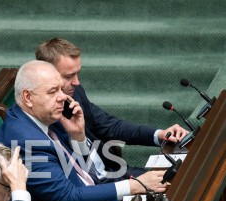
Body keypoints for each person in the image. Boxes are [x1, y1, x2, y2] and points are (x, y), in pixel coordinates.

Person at [0, 60, 169, 201]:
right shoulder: (26, 141)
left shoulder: (43, 117)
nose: (62, 97)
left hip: (98, 197)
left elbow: (86, 174)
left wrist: (78, 137)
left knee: (171, 190)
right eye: (52, 91)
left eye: (60, 89)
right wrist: (133, 186)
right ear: (28, 97)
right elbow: (70, 197)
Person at [35, 37, 189, 178]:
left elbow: (109, 126)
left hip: (114, 173)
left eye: (77, 73)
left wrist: (160, 134)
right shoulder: (41, 118)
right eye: (68, 76)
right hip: (96, 189)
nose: (77, 82)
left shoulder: (75, 93)